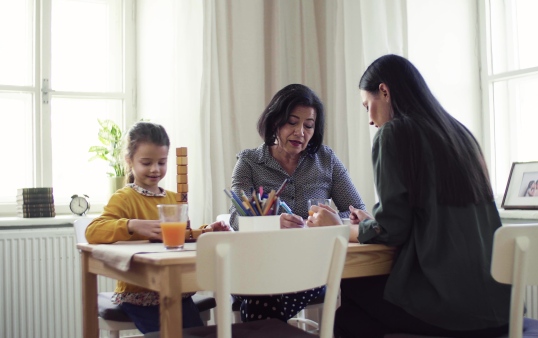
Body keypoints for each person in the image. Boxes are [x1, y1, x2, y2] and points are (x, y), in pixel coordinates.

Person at [308, 55, 511, 338]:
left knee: (349, 296)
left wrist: (340, 228)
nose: (369, 119)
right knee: (357, 311)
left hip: (453, 311)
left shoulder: (394, 134)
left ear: (385, 91)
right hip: (501, 310)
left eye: (368, 106)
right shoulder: (461, 135)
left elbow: (392, 231)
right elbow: (423, 217)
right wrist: (372, 221)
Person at [229, 83, 366, 323]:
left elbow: (357, 210)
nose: (300, 132)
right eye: (292, 122)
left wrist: (332, 220)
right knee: (260, 296)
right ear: (275, 122)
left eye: (308, 125)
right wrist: (273, 223)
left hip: (310, 267)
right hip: (260, 263)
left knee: (258, 302)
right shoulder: (249, 162)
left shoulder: (326, 160)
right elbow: (236, 219)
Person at [86, 121, 231, 334]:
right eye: (146, 163)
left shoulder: (174, 198)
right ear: (129, 161)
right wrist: (132, 225)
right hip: (138, 295)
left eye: (162, 162)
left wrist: (207, 230)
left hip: (175, 290)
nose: (155, 169)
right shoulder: (124, 198)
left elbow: (184, 234)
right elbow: (93, 231)